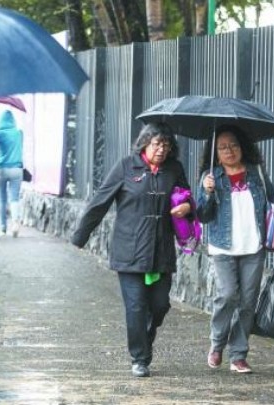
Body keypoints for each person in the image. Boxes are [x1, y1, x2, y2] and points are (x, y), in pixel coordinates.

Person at [71, 122, 192, 378]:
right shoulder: (127, 167)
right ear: (145, 143)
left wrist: (189, 207)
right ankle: (140, 357)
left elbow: (186, 197)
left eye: (167, 145)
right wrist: (79, 236)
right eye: (157, 143)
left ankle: (144, 340)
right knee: (136, 306)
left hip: (161, 251)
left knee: (159, 306)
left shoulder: (174, 169)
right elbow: (100, 201)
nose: (161, 149)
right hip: (130, 250)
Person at [196, 125, 274, 375]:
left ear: (242, 146)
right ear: (215, 152)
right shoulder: (211, 176)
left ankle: (238, 355)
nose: (229, 150)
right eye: (223, 147)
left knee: (247, 303)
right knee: (228, 295)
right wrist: (206, 192)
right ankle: (217, 345)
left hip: (253, 247)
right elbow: (202, 216)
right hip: (223, 247)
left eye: (233, 145)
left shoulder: (256, 173)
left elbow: (273, 209)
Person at [0, 110, 24, 237]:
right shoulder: (19, 133)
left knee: (2, 198)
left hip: (1, 169)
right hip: (16, 169)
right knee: (14, 198)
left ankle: (2, 227)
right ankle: (15, 223)